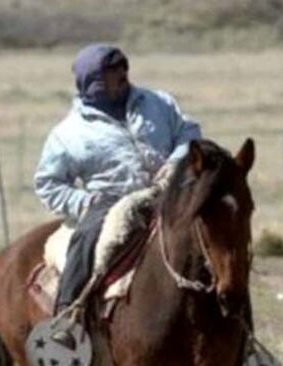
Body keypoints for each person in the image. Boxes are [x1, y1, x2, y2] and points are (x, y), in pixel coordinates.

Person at [34, 44, 202, 345]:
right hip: (110, 203)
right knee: (86, 239)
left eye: (124, 67)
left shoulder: (159, 102)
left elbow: (189, 133)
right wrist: (84, 202)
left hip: (170, 191)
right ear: (94, 83)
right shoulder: (68, 133)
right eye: (113, 72)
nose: (123, 74)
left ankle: (243, 339)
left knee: (219, 237)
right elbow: (48, 183)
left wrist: (176, 162)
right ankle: (66, 317)